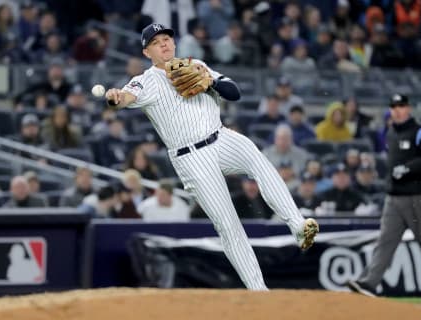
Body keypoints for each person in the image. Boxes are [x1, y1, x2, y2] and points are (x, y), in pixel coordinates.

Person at [104, 23, 319, 291]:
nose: (164, 44)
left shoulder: (196, 64)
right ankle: (259, 292)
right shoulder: (145, 81)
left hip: (220, 137)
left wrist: (211, 81)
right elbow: (124, 98)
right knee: (228, 224)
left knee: (256, 156)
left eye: (167, 38)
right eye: (157, 42)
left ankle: (298, 226)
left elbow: (234, 92)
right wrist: (115, 96)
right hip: (191, 157)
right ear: (147, 52)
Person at [347, 94, 421, 299]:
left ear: (409, 108)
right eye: (394, 106)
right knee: (385, 241)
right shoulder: (391, 133)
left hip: (419, 197)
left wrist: (408, 168)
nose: (397, 109)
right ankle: (369, 283)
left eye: (401, 105)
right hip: (394, 198)